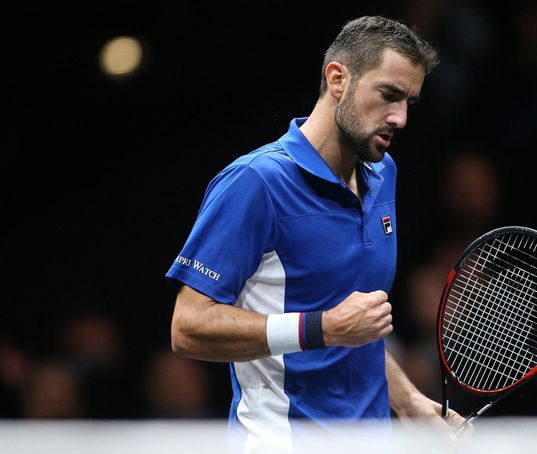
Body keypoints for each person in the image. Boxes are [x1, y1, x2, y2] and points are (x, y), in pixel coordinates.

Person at [166, 15, 466, 452]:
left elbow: (357, 332)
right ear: (337, 78)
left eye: (409, 103)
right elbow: (187, 328)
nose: (399, 117)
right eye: (388, 95)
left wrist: (410, 402)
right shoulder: (256, 183)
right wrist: (321, 328)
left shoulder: (384, 174)